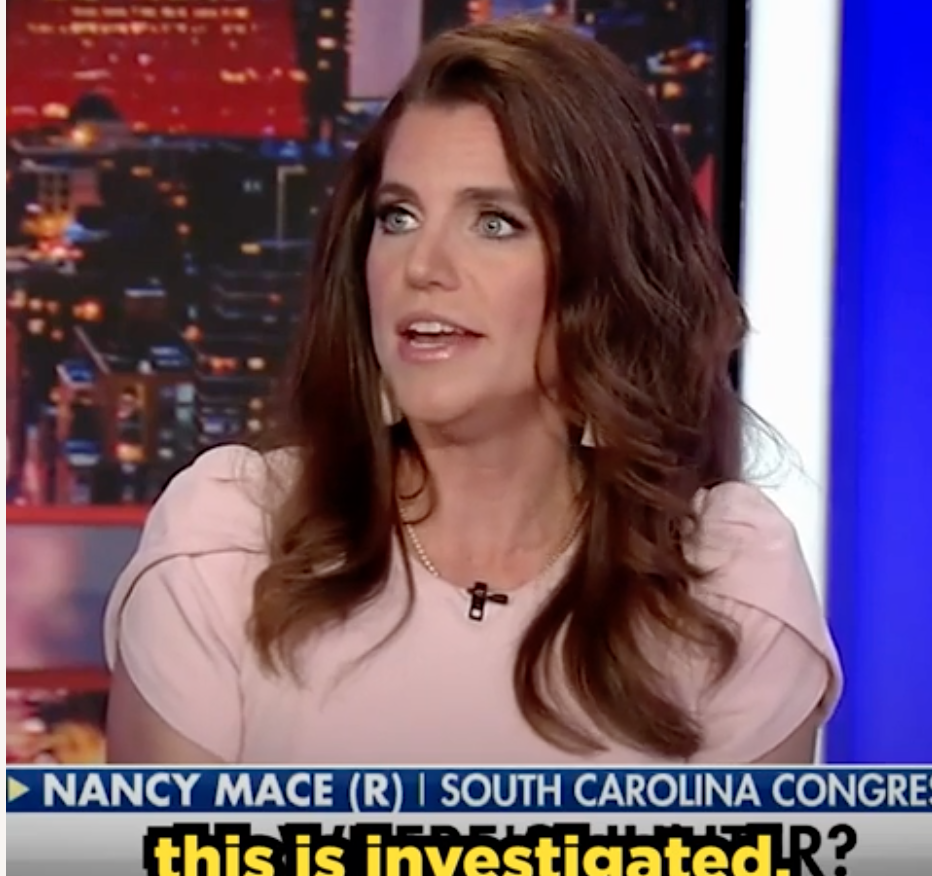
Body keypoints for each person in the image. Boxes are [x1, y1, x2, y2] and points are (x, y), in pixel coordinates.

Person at [104, 17, 841, 765]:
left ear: (605, 271)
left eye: (494, 222)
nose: (422, 266)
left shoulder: (727, 592)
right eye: (398, 216)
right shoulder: (229, 549)